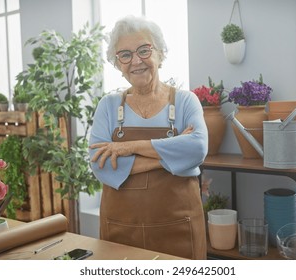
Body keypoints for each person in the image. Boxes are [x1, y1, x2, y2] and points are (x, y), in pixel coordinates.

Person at [88, 15, 208, 260]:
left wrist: (129, 147)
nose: (136, 61)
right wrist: (171, 155)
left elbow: (197, 149)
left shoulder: (185, 101)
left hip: (180, 229)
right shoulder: (108, 106)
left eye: (144, 50)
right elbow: (100, 164)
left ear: (160, 54)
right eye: (125, 55)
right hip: (120, 231)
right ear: (117, 63)